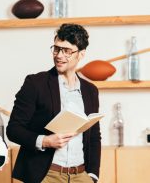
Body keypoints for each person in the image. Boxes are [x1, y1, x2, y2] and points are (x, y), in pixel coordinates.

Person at [6, 23, 101, 183]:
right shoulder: (35, 83)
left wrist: (92, 175)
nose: (59, 55)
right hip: (46, 175)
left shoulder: (90, 90)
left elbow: (94, 138)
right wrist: (45, 141)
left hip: (81, 175)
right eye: (56, 48)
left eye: (67, 51)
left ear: (81, 54)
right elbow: (13, 129)